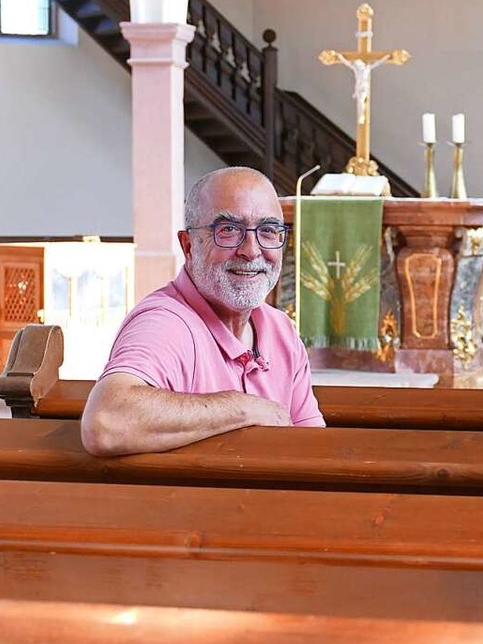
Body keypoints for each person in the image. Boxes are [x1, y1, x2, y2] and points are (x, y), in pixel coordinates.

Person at [81, 167, 325, 456]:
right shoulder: (166, 323)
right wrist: (243, 407)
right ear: (188, 246)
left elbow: (314, 449)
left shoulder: (280, 328)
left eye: (268, 231)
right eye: (229, 230)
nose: (251, 250)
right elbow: (106, 423)